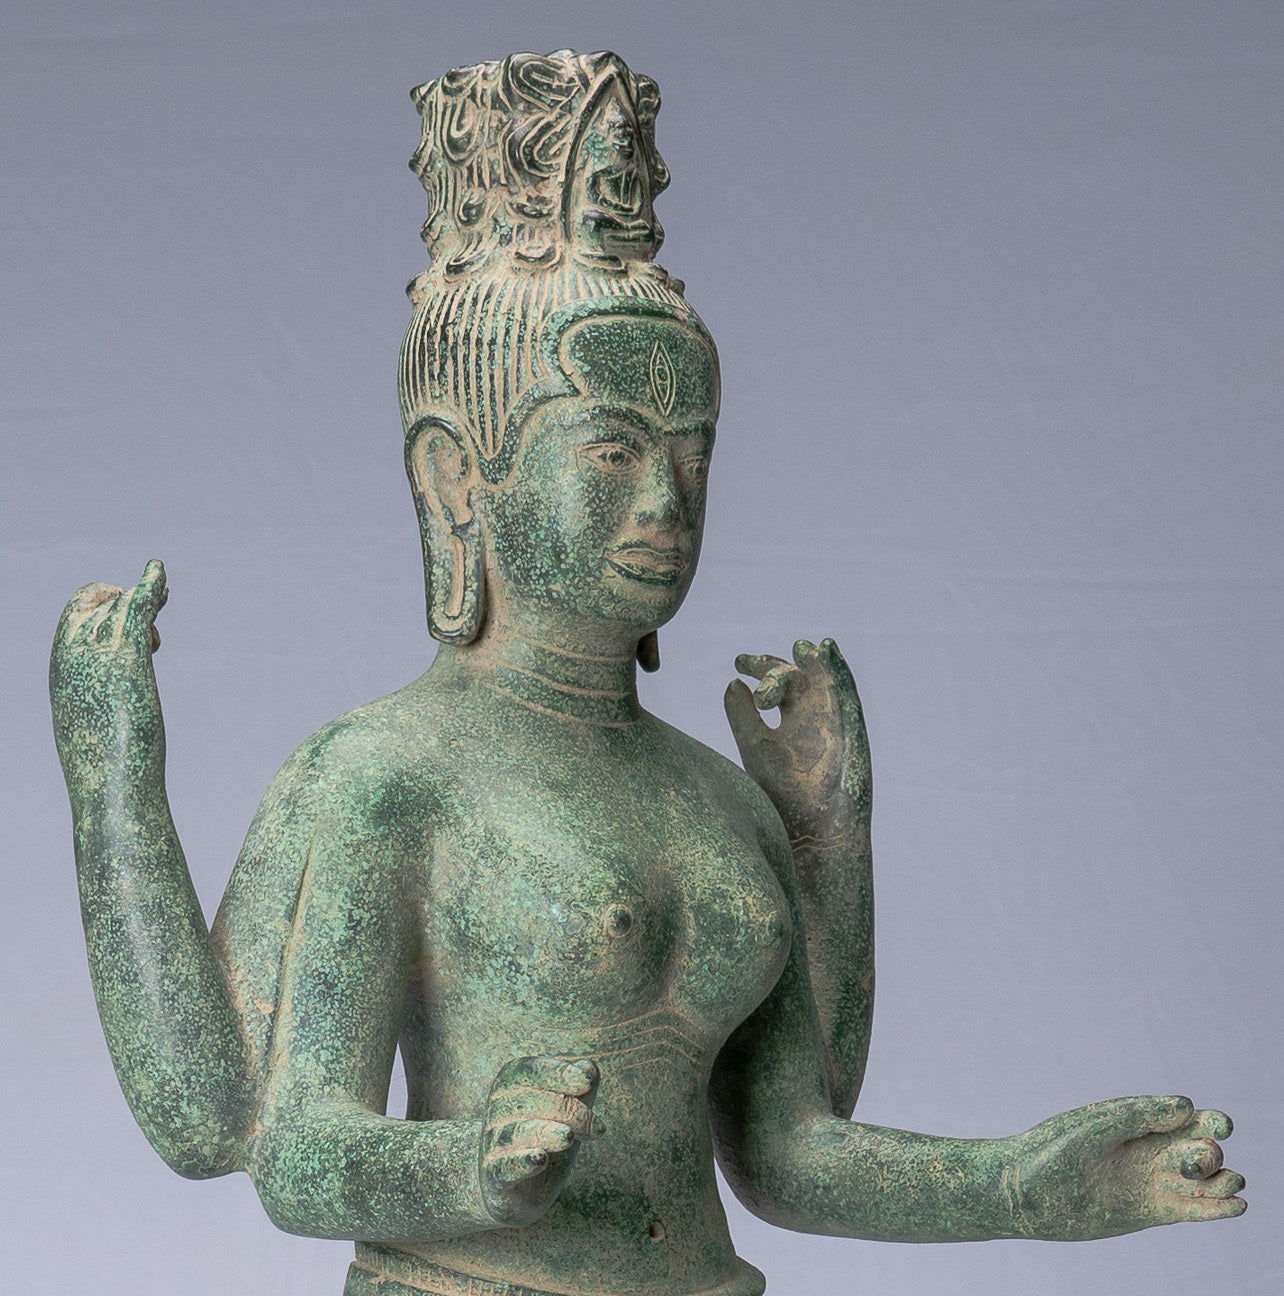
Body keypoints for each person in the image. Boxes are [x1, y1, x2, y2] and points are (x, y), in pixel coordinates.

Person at [50, 51, 1244, 1296]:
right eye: (612, 451)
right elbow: (287, 1153)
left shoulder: (718, 798)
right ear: (459, 480)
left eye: (693, 455)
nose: (668, 503)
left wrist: (1014, 1186)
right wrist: (469, 1166)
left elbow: (790, 1152)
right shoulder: (388, 776)